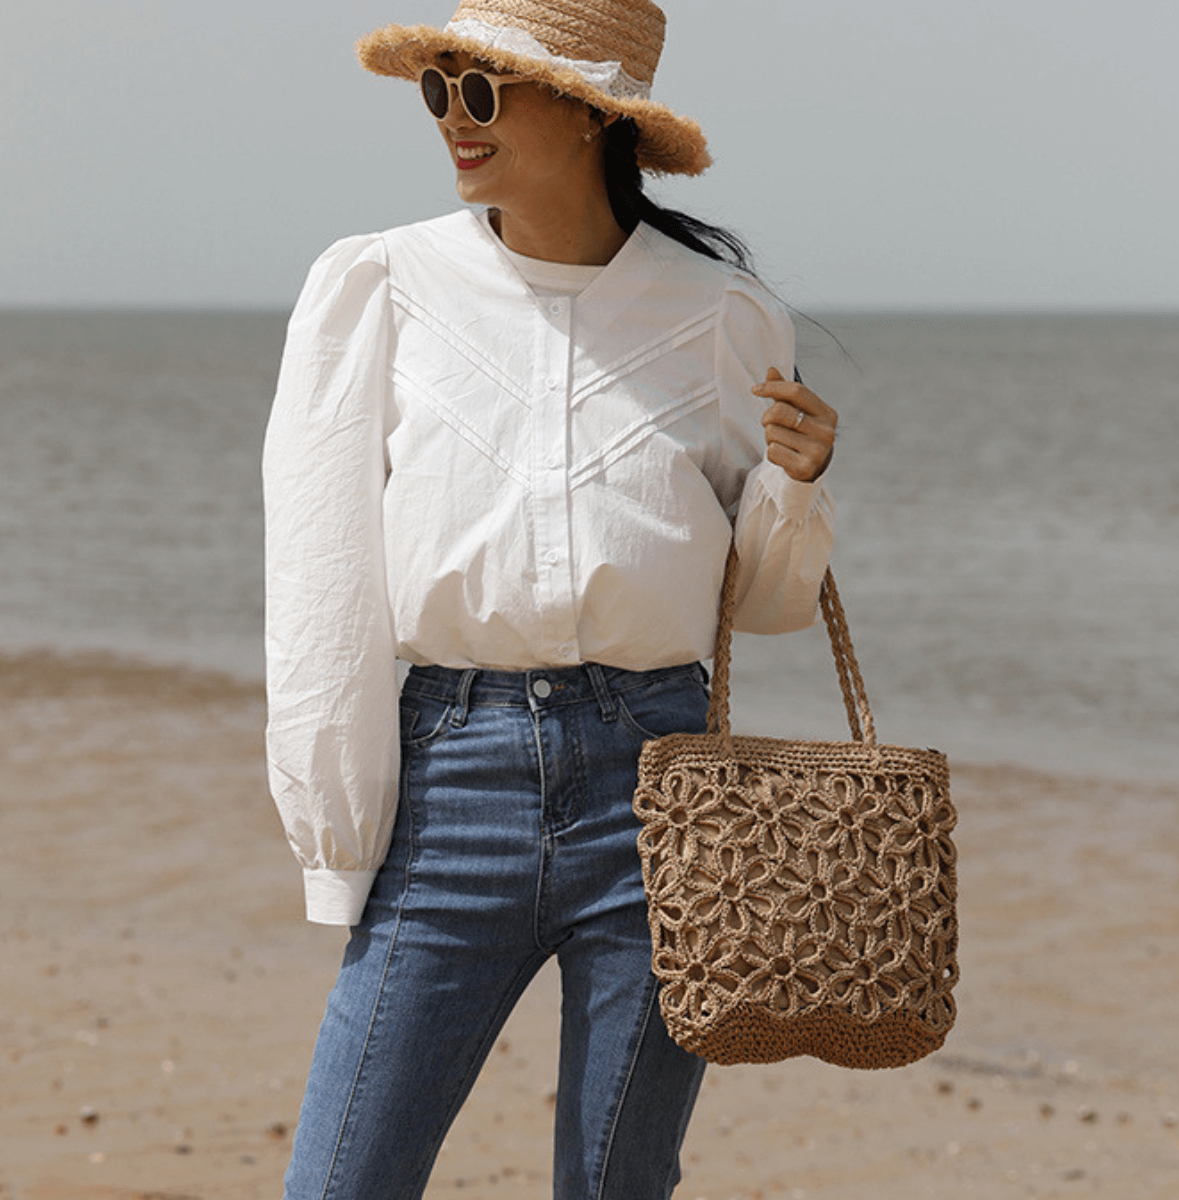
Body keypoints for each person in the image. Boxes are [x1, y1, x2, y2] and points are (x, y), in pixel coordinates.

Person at [262, 2, 838, 1196]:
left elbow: (769, 603)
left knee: (616, 1185)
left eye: (481, 92)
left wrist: (798, 481)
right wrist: (336, 835)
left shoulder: (722, 316)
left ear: (589, 113)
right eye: (439, 91)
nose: (450, 121)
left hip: (661, 793)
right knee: (340, 1180)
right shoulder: (379, 284)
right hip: (449, 780)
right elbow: (319, 583)